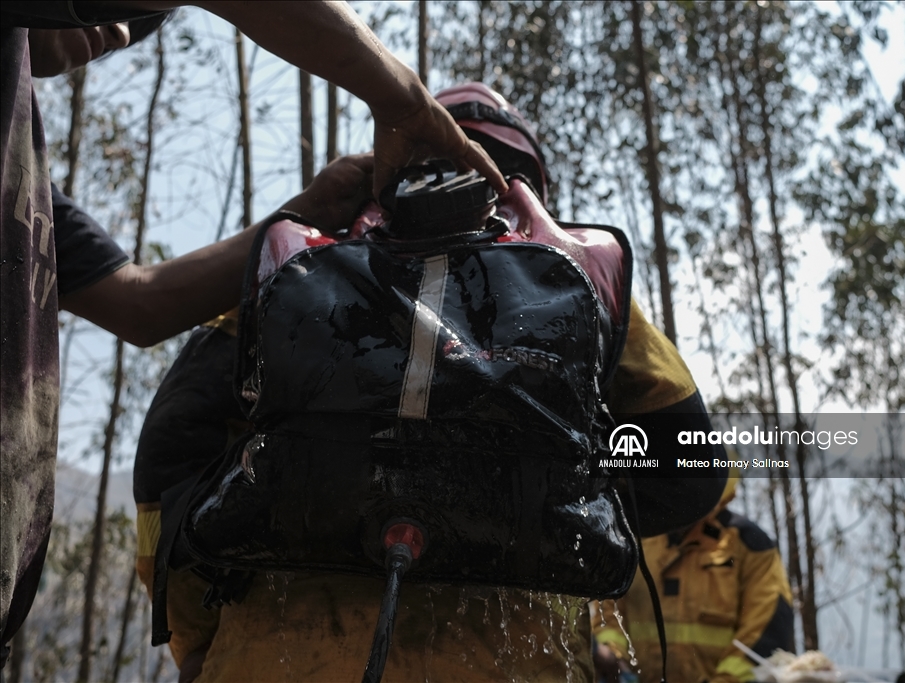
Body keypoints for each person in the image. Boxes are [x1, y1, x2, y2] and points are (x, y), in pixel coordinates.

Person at [130, 81, 728, 682]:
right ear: (527, 187)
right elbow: (689, 469)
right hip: (515, 661)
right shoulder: (575, 278)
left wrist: (197, 641)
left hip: (278, 657)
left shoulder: (301, 269)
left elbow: (172, 445)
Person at [1, 1, 507, 664]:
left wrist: (305, 214)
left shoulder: (24, 157)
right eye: (130, 12)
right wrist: (405, 102)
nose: (119, 32)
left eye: (140, 27)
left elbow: (140, 304)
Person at [592, 471, 795, 683]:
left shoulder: (750, 544)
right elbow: (609, 612)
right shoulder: (631, 540)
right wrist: (613, 656)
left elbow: (765, 628)